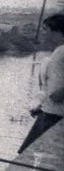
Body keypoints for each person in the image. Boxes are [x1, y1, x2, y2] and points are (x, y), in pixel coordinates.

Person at [18, 12, 64, 154]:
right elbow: (48, 85)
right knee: (26, 154)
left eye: (46, 30)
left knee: (39, 158)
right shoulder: (55, 53)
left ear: (57, 32)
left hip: (57, 116)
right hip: (47, 112)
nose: (43, 33)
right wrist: (39, 103)